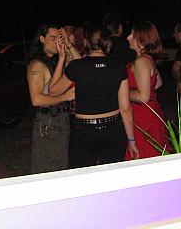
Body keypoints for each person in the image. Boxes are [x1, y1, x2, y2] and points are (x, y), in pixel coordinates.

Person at [50, 24, 139, 168]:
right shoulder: (118, 66)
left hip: (84, 131)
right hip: (113, 129)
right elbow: (125, 109)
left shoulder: (77, 66)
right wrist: (132, 141)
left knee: (82, 176)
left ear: (86, 42)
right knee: (111, 175)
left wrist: (62, 57)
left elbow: (53, 91)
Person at [26, 24, 76, 174]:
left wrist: (68, 45)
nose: (56, 42)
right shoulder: (37, 65)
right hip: (47, 122)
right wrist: (64, 97)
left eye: (58, 38)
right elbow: (36, 99)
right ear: (42, 39)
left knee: (62, 167)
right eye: (52, 38)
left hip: (62, 120)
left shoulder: (57, 62)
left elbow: (80, 64)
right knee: (47, 168)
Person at [125, 21, 169, 159]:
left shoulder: (141, 61)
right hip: (150, 113)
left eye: (132, 35)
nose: (128, 38)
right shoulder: (147, 59)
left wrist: (122, 92)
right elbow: (158, 83)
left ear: (142, 41)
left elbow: (143, 97)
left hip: (143, 118)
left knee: (145, 156)